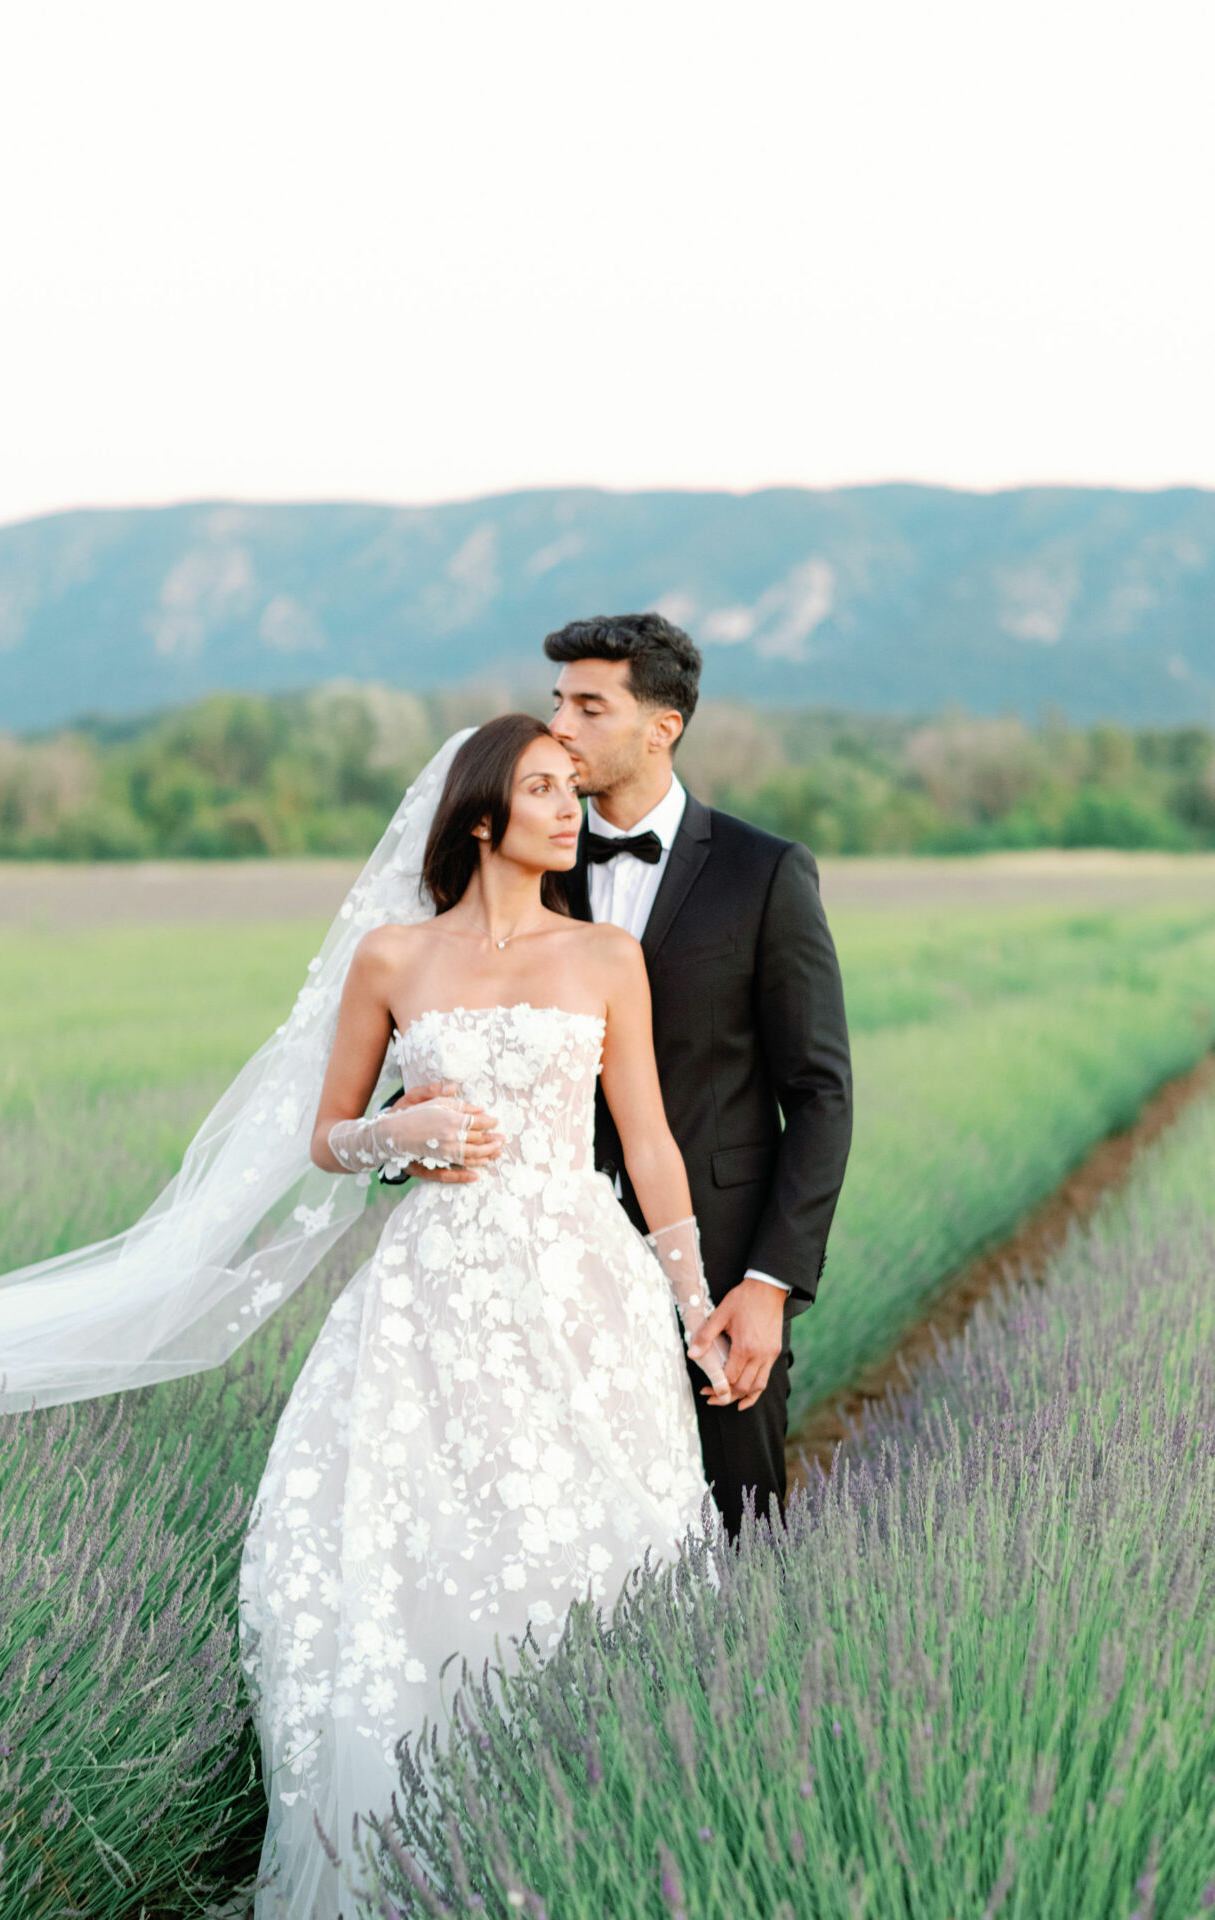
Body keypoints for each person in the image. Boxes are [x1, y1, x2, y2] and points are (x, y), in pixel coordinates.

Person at [237, 713, 733, 1916]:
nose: (574, 810)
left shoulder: (606, 959)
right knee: (417, 1541)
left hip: (580, 1285)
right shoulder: (395, 960)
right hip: (432, 1294)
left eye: (576, 789)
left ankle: (587, 1846)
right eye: (547, 791)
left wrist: (695, 1305)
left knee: (587, 1540)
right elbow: (329, 1134)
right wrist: (397, 1135)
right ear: (478, 818)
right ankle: (414, 1846)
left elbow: (652, 1143)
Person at [402, 615, 854, 1537]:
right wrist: (400, 1139)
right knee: (542, 1531)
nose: (560, 725)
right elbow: (434, 1041)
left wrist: (768, 1285)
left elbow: (819, 1096)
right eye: (557, 702)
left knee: (739, 1534)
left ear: (662, 727)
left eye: (588, 705)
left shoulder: (764, 875)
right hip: (532, 1275)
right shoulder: (523, 862)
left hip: (717, 1270)